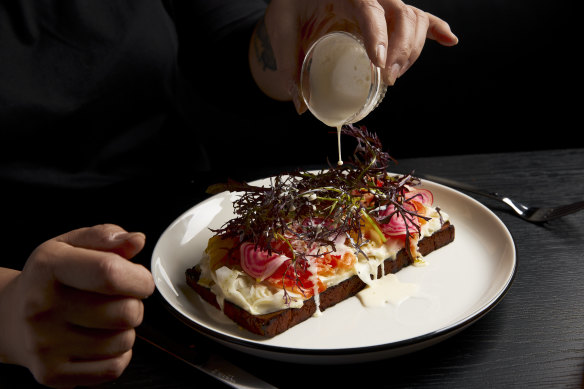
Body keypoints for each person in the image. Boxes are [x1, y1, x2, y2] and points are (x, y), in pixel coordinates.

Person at [0, 0, 457, 387]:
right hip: (38, 304)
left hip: (178, 221)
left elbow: (223, 47)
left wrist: (297, 35)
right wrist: (5, 311)